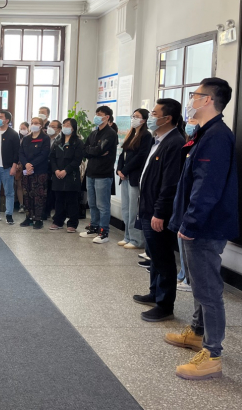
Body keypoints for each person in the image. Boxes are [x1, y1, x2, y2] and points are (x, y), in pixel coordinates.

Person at [165, 78, 238, 380]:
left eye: (195, 95)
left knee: (208, 290)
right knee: (198, 284)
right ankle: (197, 333)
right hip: (196, 223)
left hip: (205, 227)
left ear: (208, 100)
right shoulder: (204, 132)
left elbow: (207, 186)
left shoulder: (217, 137)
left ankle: (212, 354)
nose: (191, 100)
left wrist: (191, 222)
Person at [131, 99, 185, 322]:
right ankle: (155, 292)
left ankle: (165, 305)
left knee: (163, 258)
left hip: (158, 211)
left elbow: (170, 184)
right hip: (148, 207)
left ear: (167, 118)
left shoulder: (175, 142)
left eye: (154, 114)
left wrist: (160, 213)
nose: (150, 117)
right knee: (154, 254)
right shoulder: (159, 140)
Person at [80, 106, 117, 243]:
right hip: (91, 172)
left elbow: (99, 150)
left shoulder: (110, 133)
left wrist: (94, 151)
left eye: (100, 114)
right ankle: (94, 227)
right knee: (92, 203)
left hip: (103, 173)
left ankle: (103, 232)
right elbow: (84, 150)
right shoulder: (94, 133)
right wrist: (94, 151)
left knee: (103, 205)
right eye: (96, 114)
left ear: (107, 117)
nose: (96, 116)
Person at [116, 109, 152, 250]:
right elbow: (122, 153)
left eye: (137, 117)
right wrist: (119, 169)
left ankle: (136, 240)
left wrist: (125, 170)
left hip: (134, 176)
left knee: (133, 211)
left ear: (144, 120)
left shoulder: (146, 135)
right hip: (125, 176)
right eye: (133, 116)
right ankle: (127, 236)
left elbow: (141, 156)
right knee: (125, 209)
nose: (133, 119)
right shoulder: (131, 134)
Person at [49, 118, 84, 233]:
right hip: (57, 175)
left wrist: (65, 171)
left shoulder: (78, 142)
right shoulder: (58, 142)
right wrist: (56, 170)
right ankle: (58, 221)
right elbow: (52, 157)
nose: (65, 127)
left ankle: (72, 223)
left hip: (71, 175)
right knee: (59, 199)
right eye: (64, 124)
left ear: (73, 128)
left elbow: (77, 160)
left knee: (71, 200)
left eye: (68, 125)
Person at [176, 117, 199, 293]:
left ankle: (189, 279)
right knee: (181, 242)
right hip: (183, 197)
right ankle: (183, 273)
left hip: (191, 201)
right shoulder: (188, 142)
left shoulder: (201, 143)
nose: (190, 123)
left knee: (188, 243)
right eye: (189, 120)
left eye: (193, 120)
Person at [19, 117, 51, 229]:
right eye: (32, 123)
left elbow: (44, 154)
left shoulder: (45, 138)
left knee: (38, 196)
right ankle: (28, 217)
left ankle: (38, 219)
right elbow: (21, 153)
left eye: (36, 123)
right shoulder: (26, 139)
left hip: (39, 171)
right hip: (27, 171)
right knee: (27, 194)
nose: (33, 125)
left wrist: (32, 164)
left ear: (41, 125)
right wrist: (26, 164)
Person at [43, 120, 62, 219]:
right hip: (44, 167)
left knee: (53, 192)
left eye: (53, 127)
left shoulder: (61, 140)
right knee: (45, 190)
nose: (50, 128)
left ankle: (54, 212)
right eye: (49, 126)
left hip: (56, 168)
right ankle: (45, 212)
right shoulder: (45, 138)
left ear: (59, 130)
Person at [16, 122, 30, 213]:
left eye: (24, 128)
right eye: (21, 128)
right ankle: (21, 205)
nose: (22, 130)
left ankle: (29, 205)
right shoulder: (18, 139)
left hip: (28, 165)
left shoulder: (31, 138)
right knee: (19, 185)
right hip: (19, 165)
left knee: (28, 186)